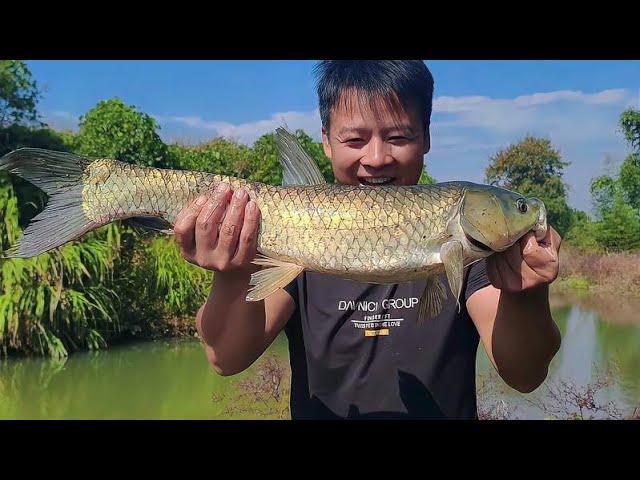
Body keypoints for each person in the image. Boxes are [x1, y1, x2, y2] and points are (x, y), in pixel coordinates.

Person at [173, 60, 562, 419]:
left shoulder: (477, 254)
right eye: (355, 139)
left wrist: (525, 293)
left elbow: (525, 375)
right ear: (326, 141)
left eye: (397, 136)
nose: (376, 158)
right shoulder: (292, 235)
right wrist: (232, 271)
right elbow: (225, 358)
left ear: (426, 137)